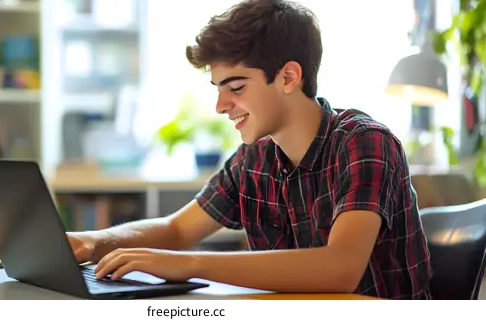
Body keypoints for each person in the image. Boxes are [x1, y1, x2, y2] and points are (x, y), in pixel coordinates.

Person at [66, 0, 433, 299]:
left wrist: (191, 264)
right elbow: (177, 229)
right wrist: (89, 242)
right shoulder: (254, 159)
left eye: (236, 87)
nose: (220, 105)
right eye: (217, 88)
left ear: (289, 77)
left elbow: (340, 268)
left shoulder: (364, 142)